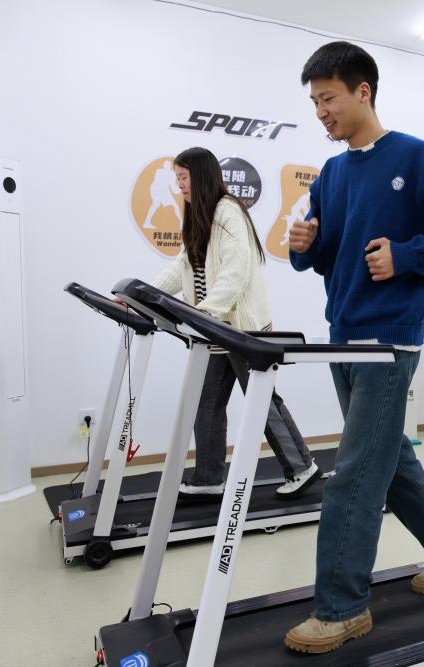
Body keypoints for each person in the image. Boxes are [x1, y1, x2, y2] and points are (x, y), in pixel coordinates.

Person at [284, 42, 424, 654]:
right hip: (344, 335)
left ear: (363, 91)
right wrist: (304, 245)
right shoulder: (333, 173)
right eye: (314, 102)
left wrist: (407, 256)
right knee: (387, 454)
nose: (321, 111)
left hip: (390, 341)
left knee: (354, 474)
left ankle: (342, 608)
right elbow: (326, 255)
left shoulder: (416, 157)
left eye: (328, 98)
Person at [150, 147, 321, 499]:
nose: (179, 185)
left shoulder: (228, 211)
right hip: (213, 329)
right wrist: (146, 294)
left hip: (241, 327)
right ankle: (209, 477)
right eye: (177, 178)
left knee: (261, 400)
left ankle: (302, 467)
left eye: (184, 177)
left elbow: (236, 271)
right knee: (206, 403)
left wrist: (205, 312)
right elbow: (181, 267)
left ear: (202, 176)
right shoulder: (198, 215)